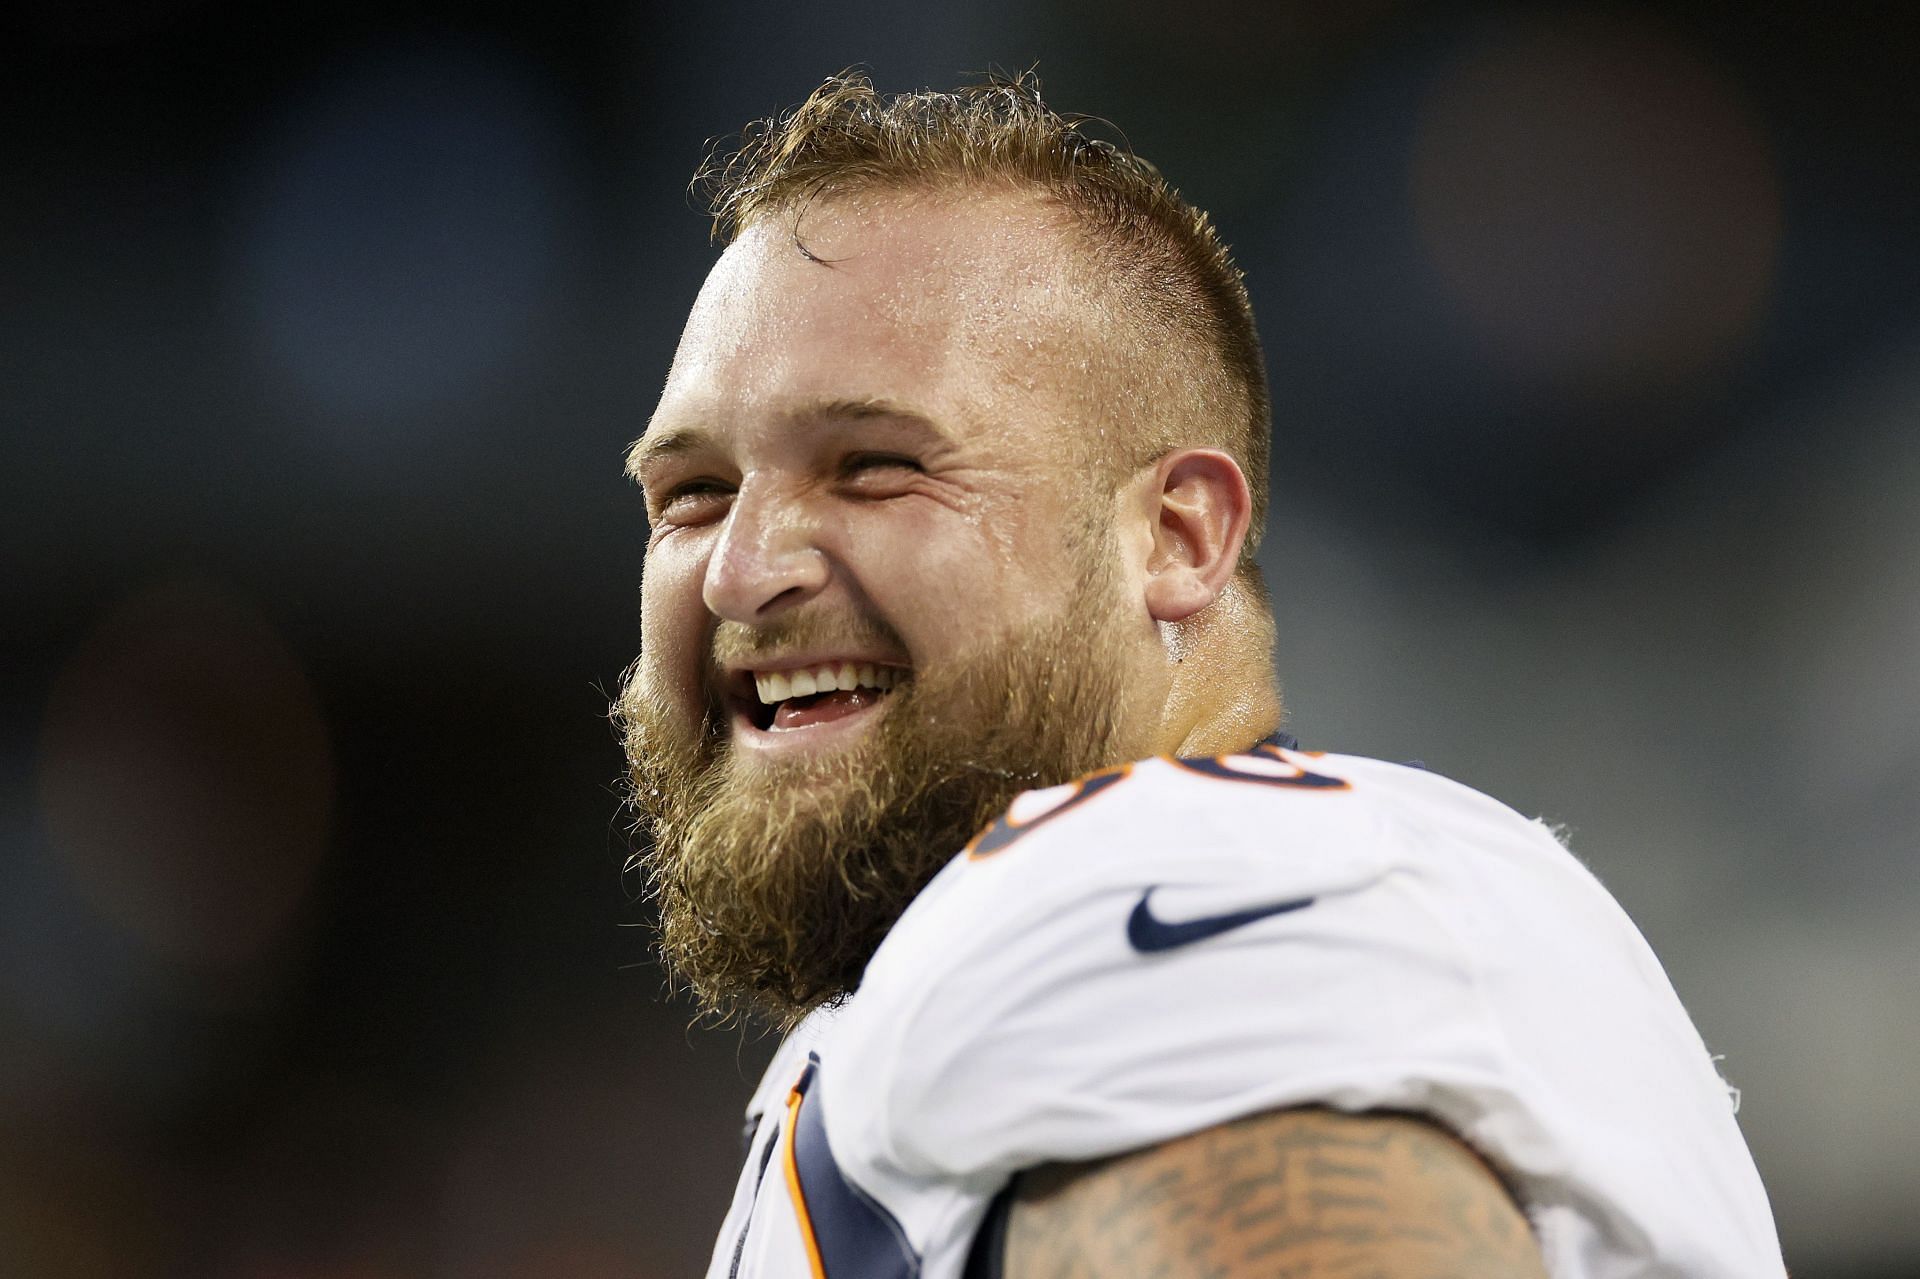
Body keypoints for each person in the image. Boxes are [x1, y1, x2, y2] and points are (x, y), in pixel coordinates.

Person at [616, 72, 1785, 1278]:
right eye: (692, 496)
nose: (739, 571)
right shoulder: (988, 960)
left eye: (874, 467)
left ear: (1177, 538)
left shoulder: (1153, 886)